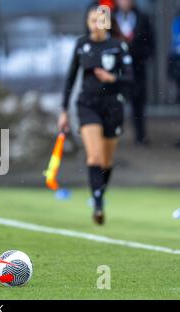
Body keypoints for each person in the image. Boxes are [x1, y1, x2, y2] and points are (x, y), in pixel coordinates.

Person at [58, 6, 133, 225]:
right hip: (87, 105)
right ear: (88, 22)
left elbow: (130, 78)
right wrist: (64, 110)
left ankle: (99, 193)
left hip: (112, 106)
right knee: (95, 158)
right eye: (92, 20)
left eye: (101, 20)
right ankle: (98, 206)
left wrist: (112, 79)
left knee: (107, 162)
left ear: (108, 23)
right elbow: (71, 79)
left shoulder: (118, 46)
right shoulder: (82, 45)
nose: (96, 24)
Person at [114, 0, 154, 146]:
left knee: (138, 102)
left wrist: (143, 57)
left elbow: (150, 41)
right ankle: (111, 135)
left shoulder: (142, 17)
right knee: (113, 101)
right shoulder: (109, 16)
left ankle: (140, 135)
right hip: (116, 67)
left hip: (137, 67)